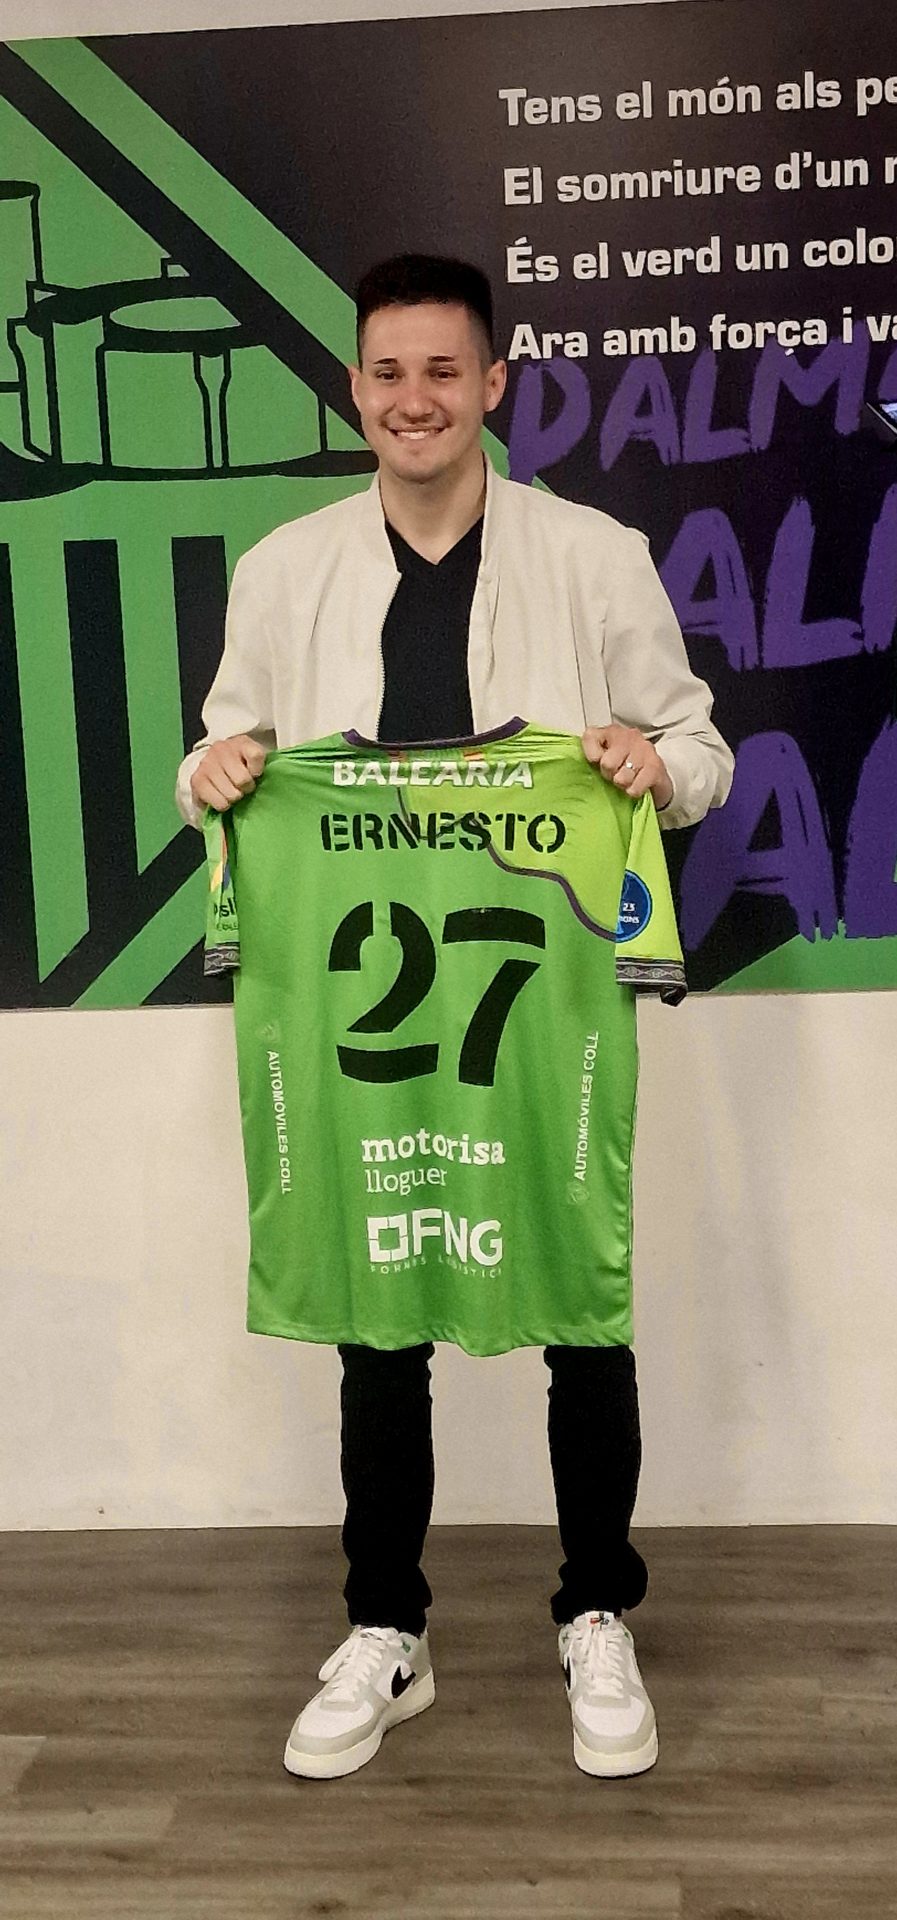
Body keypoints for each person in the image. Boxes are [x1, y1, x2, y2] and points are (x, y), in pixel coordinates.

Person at [176, 254, 733, 1783]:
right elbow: (227, 755)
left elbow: (698, 752)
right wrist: (212, 776)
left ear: (491, 385)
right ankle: (385, 1626)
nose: (411, 399)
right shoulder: (282, 569)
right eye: (385, 372)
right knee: (377, 1313)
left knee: (576, 1295)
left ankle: (594, 1610)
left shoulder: (592, 555)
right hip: (358, 999)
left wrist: (651, 769)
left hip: (545, 985)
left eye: (441, 372)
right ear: (352, 388)